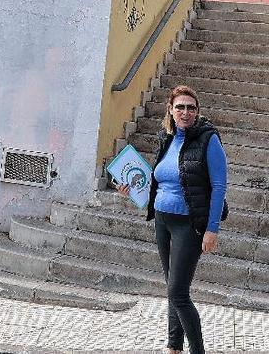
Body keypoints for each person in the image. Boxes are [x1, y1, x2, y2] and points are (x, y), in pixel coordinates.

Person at [116, 84, 227, 354]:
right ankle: (173, 347)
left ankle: (197, 350)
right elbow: (157, 180)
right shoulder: (167, 138)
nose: (185, 112)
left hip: (189, 225)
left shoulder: (208, 139)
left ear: (197, 111)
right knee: (172, 290)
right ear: (171, 110)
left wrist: (212, 229)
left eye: (191, 107)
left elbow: (220, 185)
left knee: (179, 293)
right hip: (162, 221)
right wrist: (131, 190)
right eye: (180, 107)